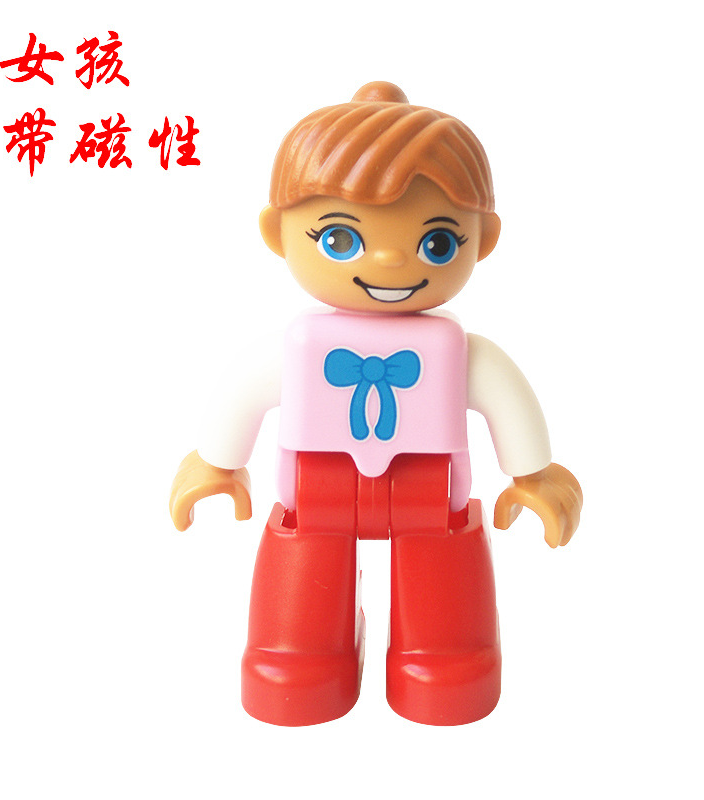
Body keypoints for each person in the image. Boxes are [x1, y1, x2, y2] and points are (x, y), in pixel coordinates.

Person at [169, 81, 582, 726]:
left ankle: (446, 658)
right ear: (277, 233)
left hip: (431, 495)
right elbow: (241, 395)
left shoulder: (463, 354)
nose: (390, 260)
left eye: (436, 242)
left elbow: (507, 401)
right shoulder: (293, 350)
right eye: (340, 239)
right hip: (317, 493)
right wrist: (217, 463)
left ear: (484, 239)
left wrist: (534, 474)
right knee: (299, 595)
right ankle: (298, 656)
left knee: (443, 586)